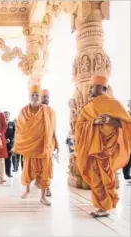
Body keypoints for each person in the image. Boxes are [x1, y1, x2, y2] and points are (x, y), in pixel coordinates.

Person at [75, 74, 131, 217]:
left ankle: (106, 206)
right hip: (93, 147)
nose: (89, 90)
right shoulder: (88, 107)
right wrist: (94, 122)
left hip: (108, 148)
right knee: (95, 177)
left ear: (100, 87)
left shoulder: (115, 104)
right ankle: (102, 206)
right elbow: (79, 126)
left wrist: (110, 120)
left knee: (107, 175)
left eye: (92, 87)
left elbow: (126, 124)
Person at [13, 84, 56, 206]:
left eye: (37, 95)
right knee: (27, 170)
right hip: (30, 147)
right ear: (29, 97)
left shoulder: (48, 111)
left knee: (45, 171)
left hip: (44, 147)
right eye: (33, 95)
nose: (35, 97)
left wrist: (54, 143)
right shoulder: (24, 111)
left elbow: (52, 129)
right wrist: (18, 145)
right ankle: (26, 189)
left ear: (40, 97)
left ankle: (43, 197)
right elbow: (20, 129)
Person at [41, 89, 59, 197]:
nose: (46, 99)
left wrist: (56, 142)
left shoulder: (51, 112)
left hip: (48, 144)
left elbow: (53, 129)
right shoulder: (36, 110)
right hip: (38, 144)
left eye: (47, 97)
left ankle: (47, 188)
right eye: (44, 97)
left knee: (47, 166)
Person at [4, 111, 15, 178]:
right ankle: (1, 171)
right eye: (5, 115)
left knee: (8, 158)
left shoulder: (12, 123)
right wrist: (3, 140)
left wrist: (9, 139)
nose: (6, 116)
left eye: (7, 114)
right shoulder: (1, 123)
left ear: (9, 115)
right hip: (2, 143)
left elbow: (14, 133)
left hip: (10, 144)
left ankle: (8, 173)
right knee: (1, 159)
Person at [122, 100, 131, 180]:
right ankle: (126, 175)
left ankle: (127, 175)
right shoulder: (126, 115)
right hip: (128, 138)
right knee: (127, 157)